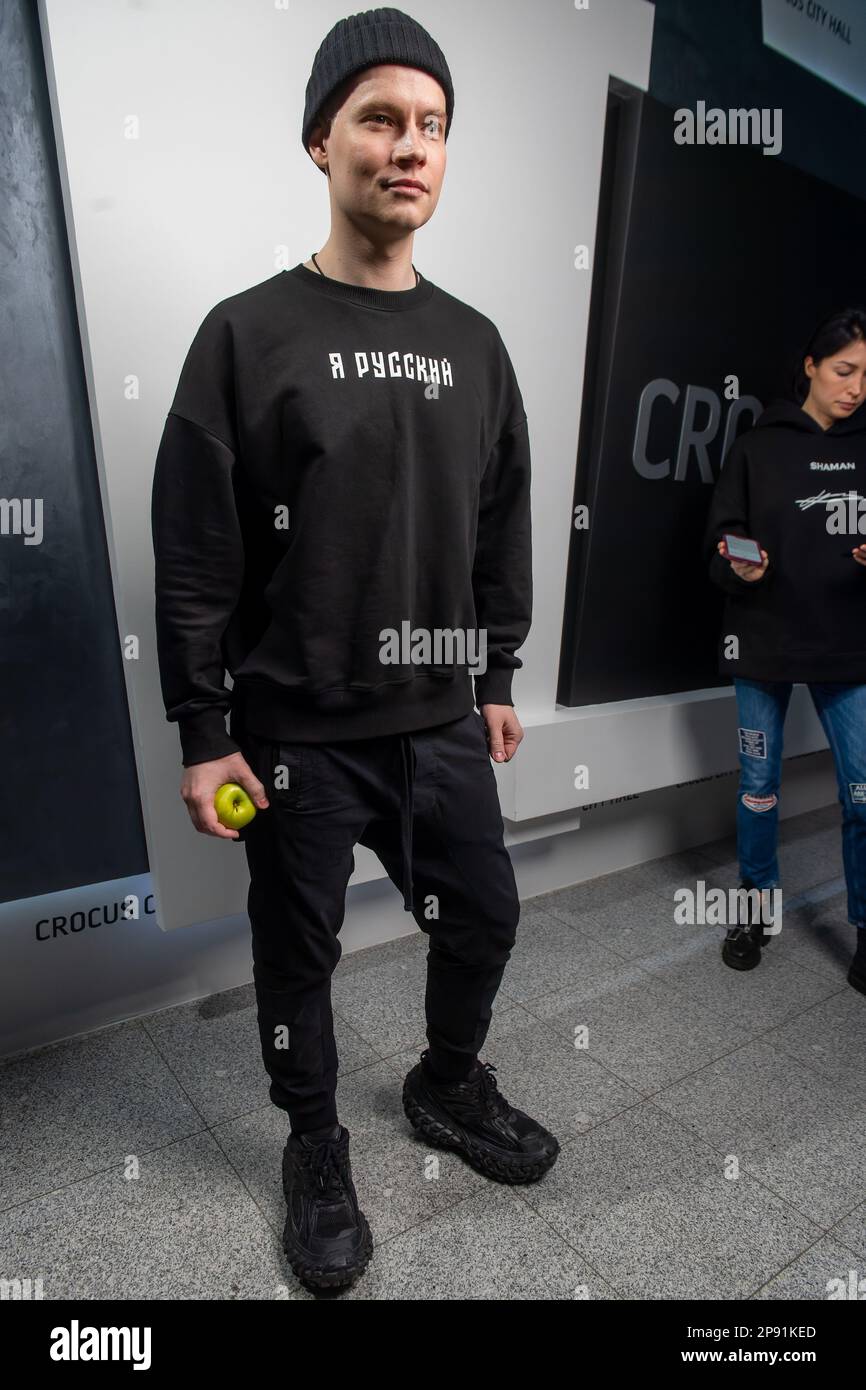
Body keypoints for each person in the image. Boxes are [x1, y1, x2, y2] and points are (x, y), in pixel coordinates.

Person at [151, 7, 559, 1293]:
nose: (409, 147)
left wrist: (493, 676)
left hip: (438, 724)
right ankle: (314, 1143)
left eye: (431, 126)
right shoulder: (244, 334)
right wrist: (203, 726)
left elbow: (500, 524)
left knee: (484, 916)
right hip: (295, 735)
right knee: (298, 960)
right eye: (380, 119)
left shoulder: (478, 343)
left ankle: (446, 1080)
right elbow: (197, 549)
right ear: (321, 139)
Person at [703, 306, 866, 989]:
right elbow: (718, 549)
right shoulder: (756, 449)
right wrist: (740, 565)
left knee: (862, 795)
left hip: (848, 646)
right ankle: (754, 907)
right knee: (760, 788)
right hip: (763, 641)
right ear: (811, 365)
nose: (856, 388)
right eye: (844, 370)